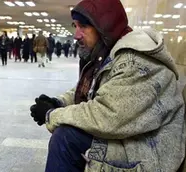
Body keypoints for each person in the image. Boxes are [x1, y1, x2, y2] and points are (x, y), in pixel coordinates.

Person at [30, 0, 185, 171]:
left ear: (104, 27)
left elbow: (107, 114)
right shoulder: (108, 53)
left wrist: (52, 115)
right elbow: (94, 89)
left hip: (149, 152)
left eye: (83, 26)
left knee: (66, 138)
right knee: (68, 133)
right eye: (75, 26)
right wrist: (58, 102)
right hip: (131, 138)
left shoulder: (134, 62)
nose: (76, 34)